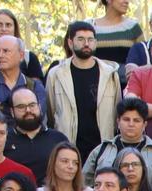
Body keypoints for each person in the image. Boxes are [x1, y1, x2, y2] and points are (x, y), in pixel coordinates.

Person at [47, 21, 123, 163]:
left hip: (102, 148)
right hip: (68, 148)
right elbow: (51, 113)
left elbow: (116, 112)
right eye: (80, 39)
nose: (86, 43)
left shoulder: (110, 74)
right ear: (70, 43)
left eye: (90, 39)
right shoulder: (56, 74)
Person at [81, 98, 152, 191]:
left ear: (144, 124)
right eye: (126, 119)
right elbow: (84, 185)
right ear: (118, 122)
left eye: (136, 120)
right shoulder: (102, 150)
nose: (131, 124)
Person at [0, 36, 49, 120]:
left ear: (21, 55)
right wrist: (15, 108)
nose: (0, 55)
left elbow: (37, 116)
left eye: (5, 51)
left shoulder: (34, 85)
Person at [3, 87, 67, 187]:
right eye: (21, 106)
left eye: (32, 105)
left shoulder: (58, 139)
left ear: (39, 107)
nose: (28, 110)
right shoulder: (3, 140)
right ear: (12, 112)